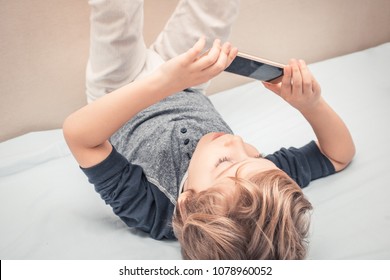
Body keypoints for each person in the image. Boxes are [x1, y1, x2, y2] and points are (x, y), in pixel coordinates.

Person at [63, 0, 355, 259]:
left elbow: (80, 136)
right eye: (255, 155)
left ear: (188, 201)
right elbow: (338, 155)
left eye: (224, 162)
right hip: (187, 82)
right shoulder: (261, 187)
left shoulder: (152, 210)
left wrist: (163, 82)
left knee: (115, 10)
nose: (236, 142)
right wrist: (312, 104)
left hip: (119, 88)